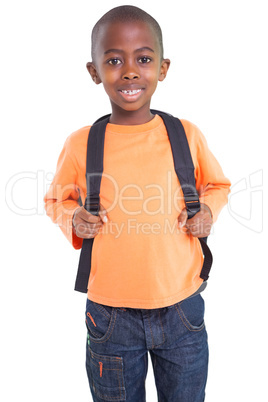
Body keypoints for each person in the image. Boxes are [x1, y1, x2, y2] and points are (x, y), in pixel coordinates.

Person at [44, 5, 231, 401]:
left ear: (162, 68)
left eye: (143, 59)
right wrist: (73, 217)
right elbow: (56, 200)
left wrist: (208, 212)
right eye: (114, 60)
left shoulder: (185, 134)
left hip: (182, 307)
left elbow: (217, 185)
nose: (130, 71)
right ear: (95, 72)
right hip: (111, 316)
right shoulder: (81, 144)